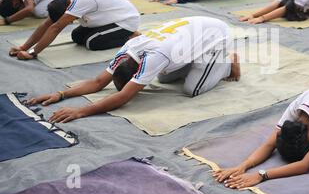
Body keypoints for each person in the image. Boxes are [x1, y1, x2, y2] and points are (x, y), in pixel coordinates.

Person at [25, 16, 241, 123]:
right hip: (188, 35)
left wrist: (81, 111)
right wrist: (60, 94)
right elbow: (98, 82)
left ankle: (227, 62)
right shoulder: (128, 50)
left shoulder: (156, 56)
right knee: (165, 80)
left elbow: (124, 97)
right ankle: (198, 64)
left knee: (191, 90)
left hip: (215, 35)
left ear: (137, 70)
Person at [9, 0, 140, 59]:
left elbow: (56, 28)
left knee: (92, 43)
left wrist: (32, 53)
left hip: (125, 20)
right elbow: (48, 24)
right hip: (108, 16)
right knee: (76, 36)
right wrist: (23, 47)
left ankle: (130, 35)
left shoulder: (82, 1)